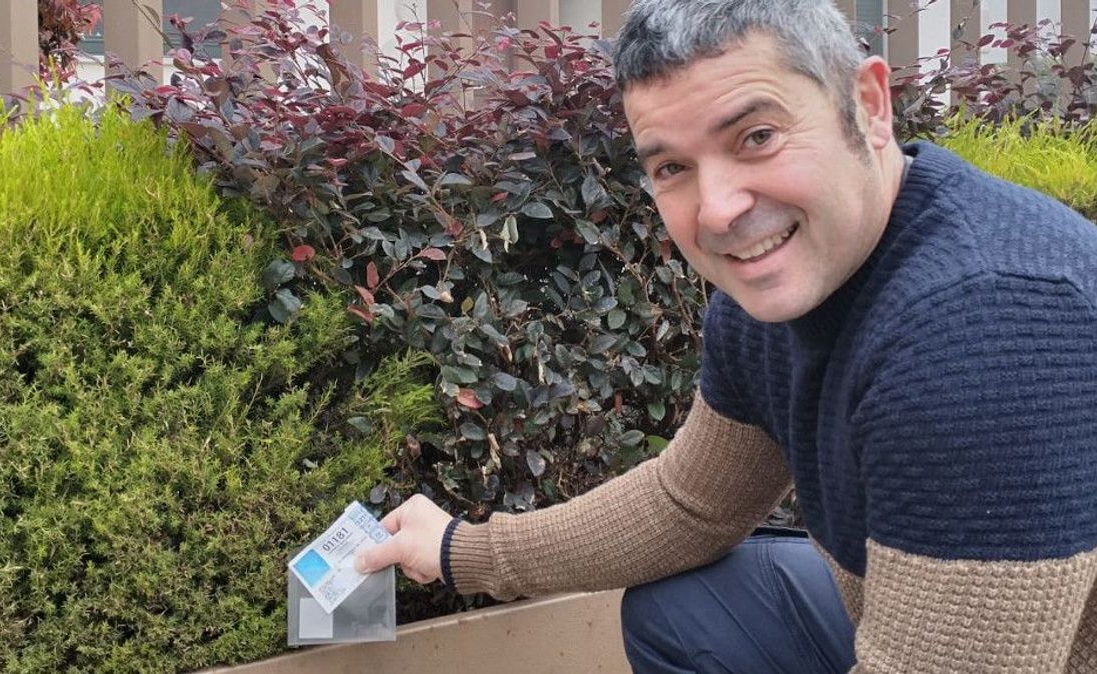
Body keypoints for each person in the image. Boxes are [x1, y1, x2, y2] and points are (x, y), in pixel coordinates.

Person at [353, 0, 1097, 671]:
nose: (716, 210)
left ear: (868, 106)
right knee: (687, 612)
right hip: (911, 619)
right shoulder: (776, 289)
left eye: (757, 136)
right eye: (673, 166)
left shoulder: (987, 333)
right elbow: (689, 505)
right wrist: (460, 551)